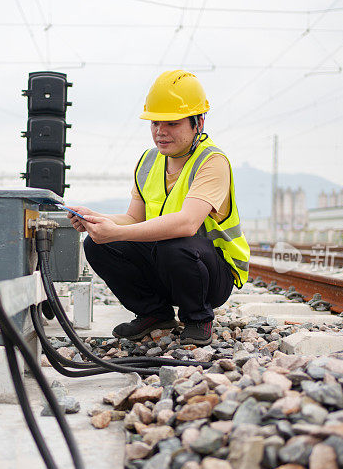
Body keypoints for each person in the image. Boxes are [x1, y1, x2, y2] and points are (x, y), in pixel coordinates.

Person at [66, 70, 250, 346]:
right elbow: (132, 218)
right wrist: (95, 218)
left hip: (210, 272)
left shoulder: (212, 161)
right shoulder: (150, 161)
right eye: (154, 123)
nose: (160, 132)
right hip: (168, 261)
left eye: (172, 123)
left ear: (198, 122)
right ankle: (155, 314)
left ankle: (198, 317)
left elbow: (187, 224)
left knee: (173, 244)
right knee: (97, 244)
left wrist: (116, 232)